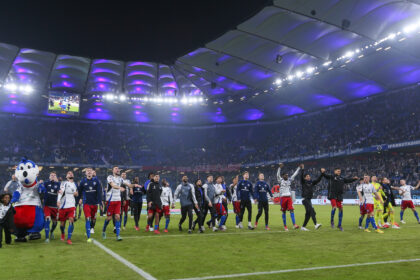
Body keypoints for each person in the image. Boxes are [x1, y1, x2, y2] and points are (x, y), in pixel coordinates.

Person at [78, 167, 102, 242]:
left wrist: (100, 202)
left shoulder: (96, 181)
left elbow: (99, 192)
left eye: (90, 171)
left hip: (94, 203)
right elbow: (79, 192)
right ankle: (88, 234)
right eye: (87, 171)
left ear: (92, 173)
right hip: (86, 203)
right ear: (85, 173)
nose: (89, 172)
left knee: (93, 218)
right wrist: (79, 199)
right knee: (88, 218)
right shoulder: (83, 182)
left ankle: (92, 228)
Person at [276, 163, 301, 231]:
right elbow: (278, 175)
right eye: (285, 175)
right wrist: (279, 168)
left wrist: (298, 168)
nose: (287, 176)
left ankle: (294, 224)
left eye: (287, 175)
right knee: (283, 212)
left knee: (291, 210)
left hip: (289, 198)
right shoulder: (280, 180)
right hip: (283, 198)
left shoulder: (289, 180)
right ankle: (285, 226)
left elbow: (294, 174)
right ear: (283, 176)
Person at [102, 166, 124, 241]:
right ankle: (104, 231)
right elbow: (113, 185)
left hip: (118, 200)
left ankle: (118, 235)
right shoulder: (110, 177)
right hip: (110, 200)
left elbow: (126, 184)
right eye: (116, 169)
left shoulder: (120, 179)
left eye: (118, 169)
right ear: (112, 170)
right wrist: (119, 188)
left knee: (118, 216)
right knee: (109, 218)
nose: (117, 170)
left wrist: (132, 186)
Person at [57, 171, 79, 245]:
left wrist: (76, 194)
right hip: (63, 206)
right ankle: (62, 233)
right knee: (62, 223)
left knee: (71, 220)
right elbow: (61, 192)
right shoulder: (64, 183)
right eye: (69, 173)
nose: (71, 174)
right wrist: (58, 200)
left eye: (71, 173)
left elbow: (76, 193)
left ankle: (69, 238)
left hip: (72, 205)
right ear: (66, 176)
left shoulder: (75, 184)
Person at [299, 165, 322, 231]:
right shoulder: (303, 182)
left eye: (309, 176)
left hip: (309, 200)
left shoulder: (311, 182)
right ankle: (316, 224)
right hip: (305, 199)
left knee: (308, 214)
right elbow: (301, 176)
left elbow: (318, 180)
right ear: (305, 178)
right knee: (312, 211)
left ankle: (303, 227)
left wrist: (322, 174)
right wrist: (302, 169)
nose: (309, 177)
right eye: (307, 176)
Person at [41, 172, 61, 243]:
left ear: (56, 177)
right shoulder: (46, 183)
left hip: (55, 206)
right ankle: (47, 238)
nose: (53, 176)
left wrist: (60, 192)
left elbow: (60, 191)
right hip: (47, 205)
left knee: (55, 223)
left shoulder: (58, 184)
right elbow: (42, 190)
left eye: (54, 175)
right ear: (49, 177)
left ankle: (51, 231)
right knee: (47, 219)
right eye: (51, 175)